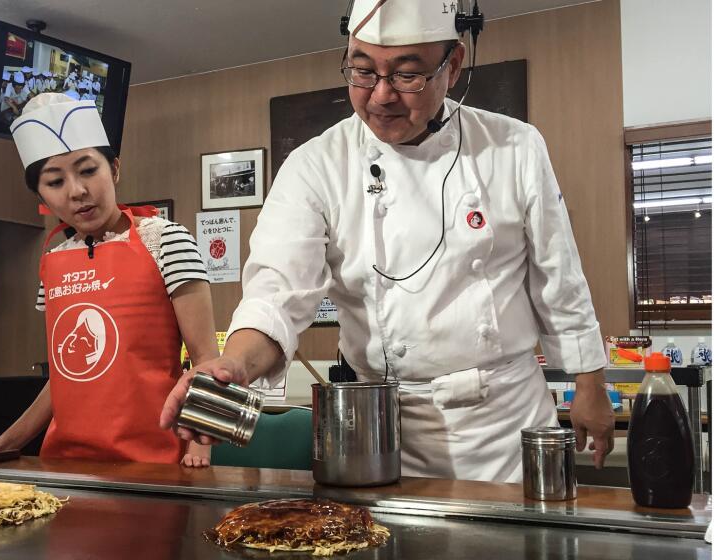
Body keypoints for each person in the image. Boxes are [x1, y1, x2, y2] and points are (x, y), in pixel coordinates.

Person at [161, 0, 615, 482]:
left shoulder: (515, 146)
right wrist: (233, 364)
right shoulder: (315, 166)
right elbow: (277, 293)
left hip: (505, 424)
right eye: (361, 71)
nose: (380, 96)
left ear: (453, 64)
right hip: (378, 430)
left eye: (407, 75)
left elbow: (558, 275)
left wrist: (589, 382)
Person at [0, 93, 216, 467]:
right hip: (66, 464)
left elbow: (206, 358)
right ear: (41, 195)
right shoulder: (54, 260)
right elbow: (63, 378)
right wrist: (6, 441)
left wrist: (200, 447)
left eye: (88, 170)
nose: (76, 191)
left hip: (154, 461)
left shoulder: (167, 240)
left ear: (115, 169)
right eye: (55, 181)